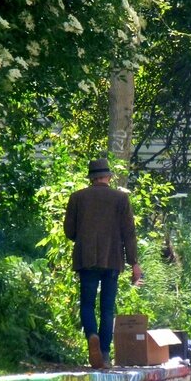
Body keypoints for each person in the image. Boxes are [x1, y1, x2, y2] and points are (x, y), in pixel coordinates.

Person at [64, 158, 142, 369]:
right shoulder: (121, 199)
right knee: (107, 308)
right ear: (108, 176)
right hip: (112, 259)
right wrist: (134, 263)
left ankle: (92, 336)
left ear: (91, 177)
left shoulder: (77, 198)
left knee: (87, 303)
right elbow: (129, 234)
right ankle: (105, 354)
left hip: (86, 259)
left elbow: (69, 232)